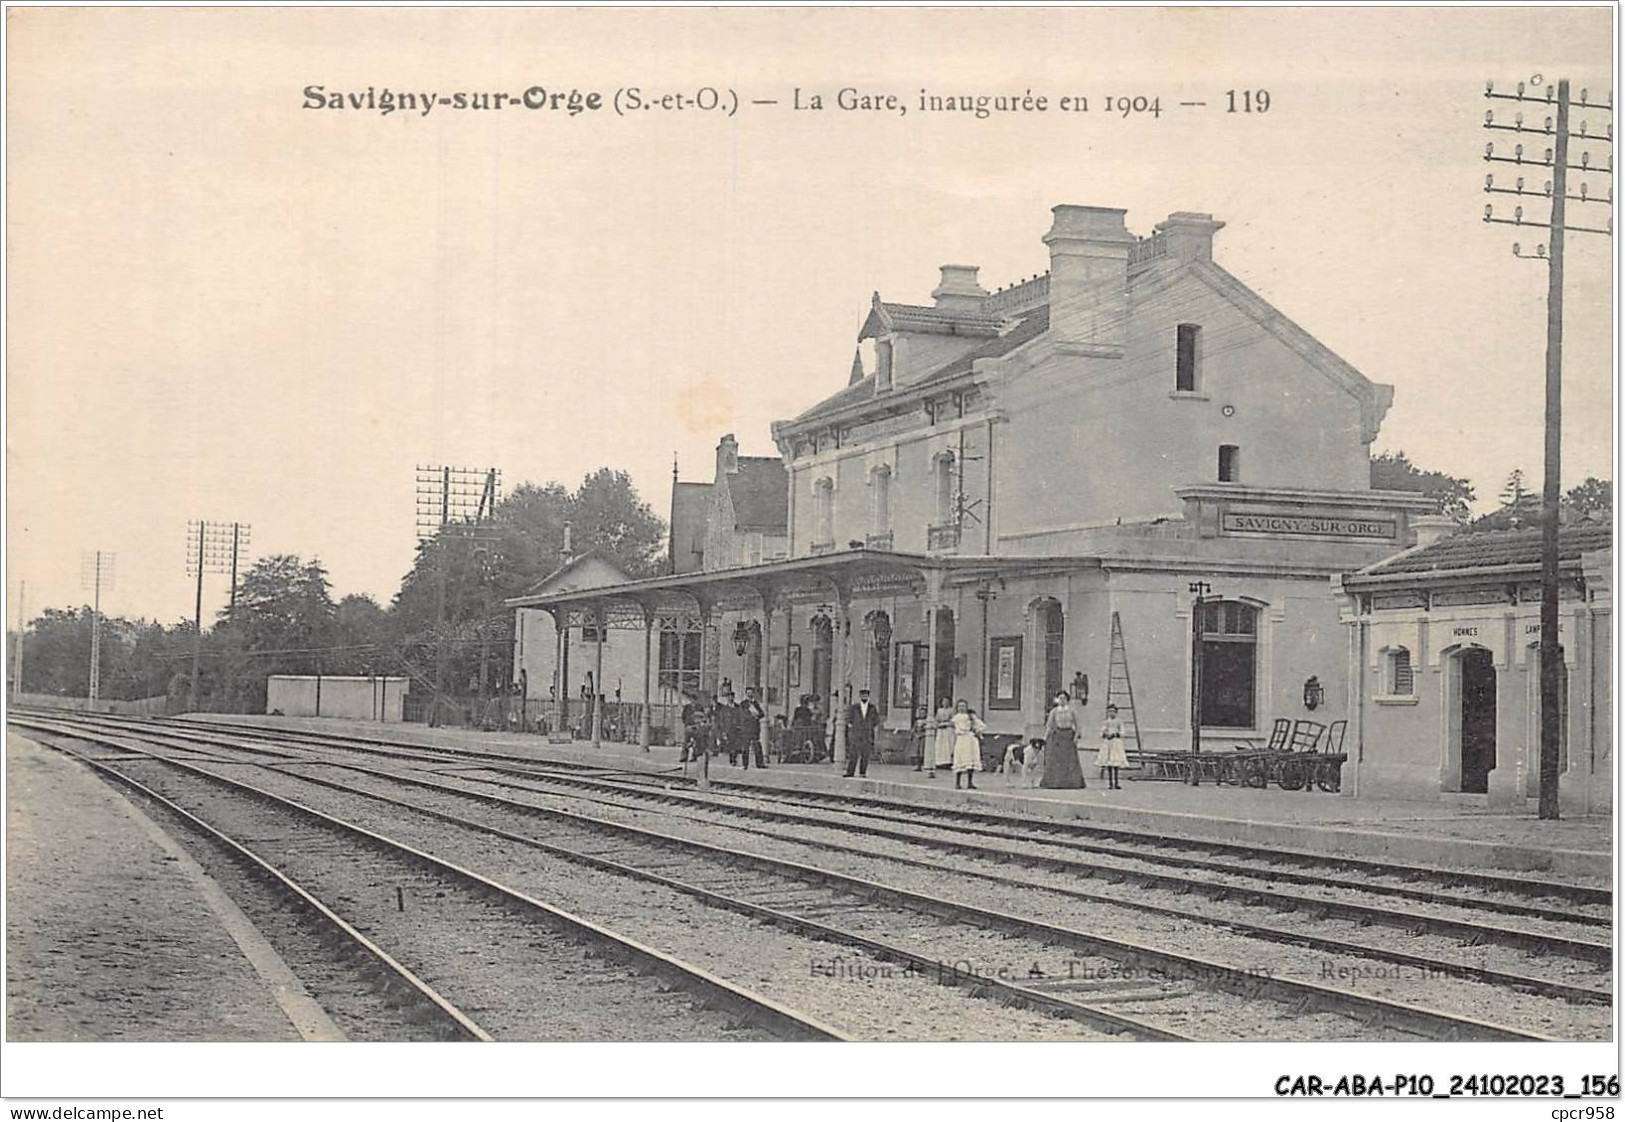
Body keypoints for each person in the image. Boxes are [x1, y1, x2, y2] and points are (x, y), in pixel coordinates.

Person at [1040, 689, 1087, 789]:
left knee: (1070, 760)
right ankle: (1055, 783)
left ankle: (1072, 783)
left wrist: (1076, 736)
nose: (1062, 700)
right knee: (1057, 760)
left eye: (1064, 698)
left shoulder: (1072, 711)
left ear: (1067, 700)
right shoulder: (1054, 711)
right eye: (1060, 698)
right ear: (1057, 700)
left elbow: (1078, 725)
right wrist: (1045, 737)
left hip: (1068, 736)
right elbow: (1049, 725)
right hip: (1057, 737)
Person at [844, 687, 880, 778]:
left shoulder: (872, 707)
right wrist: (852, 727)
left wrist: (869, 726)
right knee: (853, 754)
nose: (864, 697)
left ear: (868, 696)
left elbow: (876, 720)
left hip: (867, 734)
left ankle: (862, 772)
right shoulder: (854, 707)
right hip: (856, 733)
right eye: (862, 695)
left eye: (866, 695)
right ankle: (850, 772)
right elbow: (849, 718)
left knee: (865, 754)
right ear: (860, 696)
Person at [950, 700, 986, 789]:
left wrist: (976, 730)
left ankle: (970, 782)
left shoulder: (971, 716)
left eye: (963, 706)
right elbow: (956, 728)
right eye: (960, 706)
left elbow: (981, 725)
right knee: (960, 759)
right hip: (961, 740)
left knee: (971, 759)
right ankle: (957, 782)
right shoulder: (956, 717)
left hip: (971, 739)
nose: (961, 708)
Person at [1098, 704, 1129, 790]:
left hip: (1116, 742)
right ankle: (1110, 783)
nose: (1111, 713)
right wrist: (1105, 734)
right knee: (1109, 763)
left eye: (1113, 711)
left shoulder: (1119, 721)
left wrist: (1115, 734)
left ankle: (1116, 782)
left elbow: (1122, 732)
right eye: (1109, 711)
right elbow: (1101, 731)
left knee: (1116, 762)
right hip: (1108, 743)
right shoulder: (1106, 722)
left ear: (1116, 712)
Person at [739, 687, 766, 769]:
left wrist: (757, 715)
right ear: (746, 694)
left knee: (757, 746)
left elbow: (762, 714)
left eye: (751, 693)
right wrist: (753, 716)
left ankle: (760, 764)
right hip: (746, 728)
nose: (750, 695)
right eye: (748, 693)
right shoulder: (743, 704)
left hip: (755, 728)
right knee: (745, 747)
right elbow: (744, 715)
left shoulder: (755, 703)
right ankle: (745, 764)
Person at [716, 686, 742, 765]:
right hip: (728, 729)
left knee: (736, 745)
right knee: (730, 745)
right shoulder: (724, 709)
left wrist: (740, 726)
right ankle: (732, 759)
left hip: (736, 729)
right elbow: (721, 720)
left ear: (733, 697)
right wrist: (723, 731)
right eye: (729, 697)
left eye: (732, 697)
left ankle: (734, 758)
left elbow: (741, 717)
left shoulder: (738, 707)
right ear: (727, 698)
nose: (730, 698)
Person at [932, 696, 956, 776]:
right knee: (940, 746)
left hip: (948, 730)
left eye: (947, 701)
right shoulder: (939, 711)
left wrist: (947, 724)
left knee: (948, 746)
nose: (945, 703)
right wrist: (938, 725)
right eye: (944, 701)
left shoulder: (952, 710)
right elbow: (936, 720)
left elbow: (953, 720)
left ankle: (948, 762)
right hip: (941, 730)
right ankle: (939, 762)